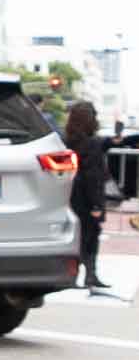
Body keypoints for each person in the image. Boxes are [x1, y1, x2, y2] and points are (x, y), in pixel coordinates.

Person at [64, 99, 108, 290]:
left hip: (69, 194)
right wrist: (97, 204)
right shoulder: (93, 143)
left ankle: (72, 276)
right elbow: (93, 176)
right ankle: (91, 274)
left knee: (74, 236)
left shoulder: (64, 141)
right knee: (91, 235)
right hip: (87, 196)